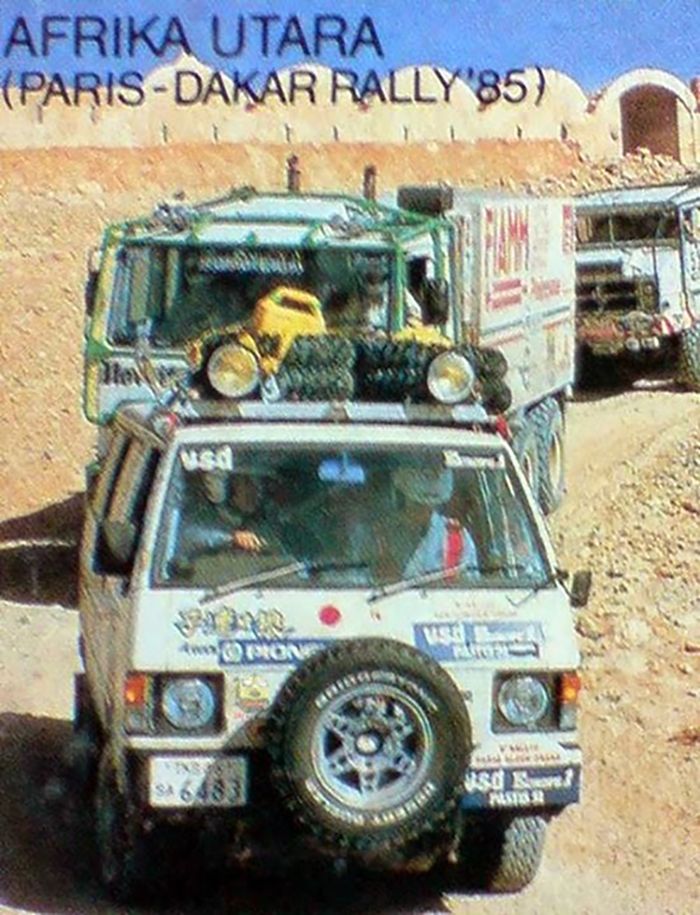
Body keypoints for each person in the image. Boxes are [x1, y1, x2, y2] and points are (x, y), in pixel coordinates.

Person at [392, 466, 478, 580]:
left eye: (424, 502)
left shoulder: (455, 536)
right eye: (415, 502)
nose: (424, 506)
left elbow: (470, 587)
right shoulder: (380, 535)